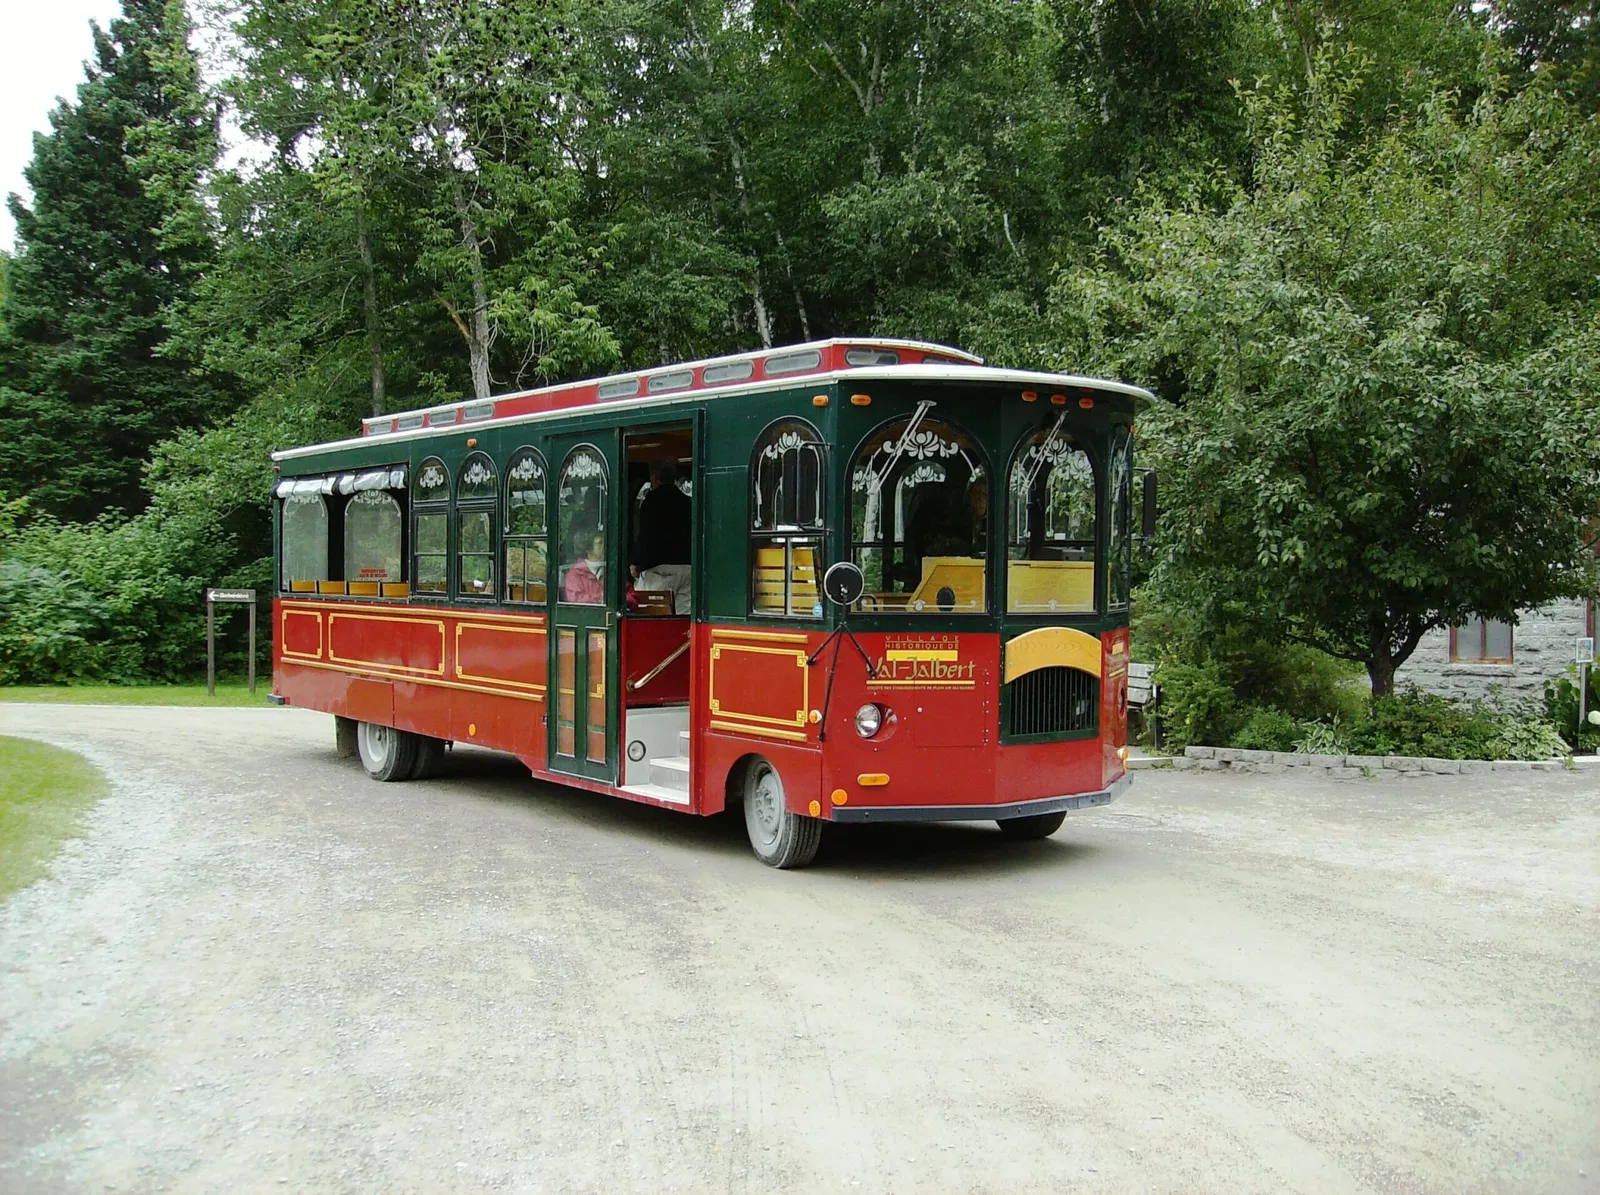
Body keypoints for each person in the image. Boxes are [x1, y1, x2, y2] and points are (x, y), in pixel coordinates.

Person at [631, 460, 692, 613]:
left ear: (654, 477)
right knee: (682, 619)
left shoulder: (652, 501)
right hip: (687, 568)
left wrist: (636, 562)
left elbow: (645, 535)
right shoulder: (687, 501)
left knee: (652, 618)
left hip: (661, 569)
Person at [563, 531, 607, 604]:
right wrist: (601, 599)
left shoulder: (611, 570)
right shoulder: (574, 575)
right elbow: (576, 600)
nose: (605, 546)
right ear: (588, 549)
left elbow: (629, 594)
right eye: (600, 543)